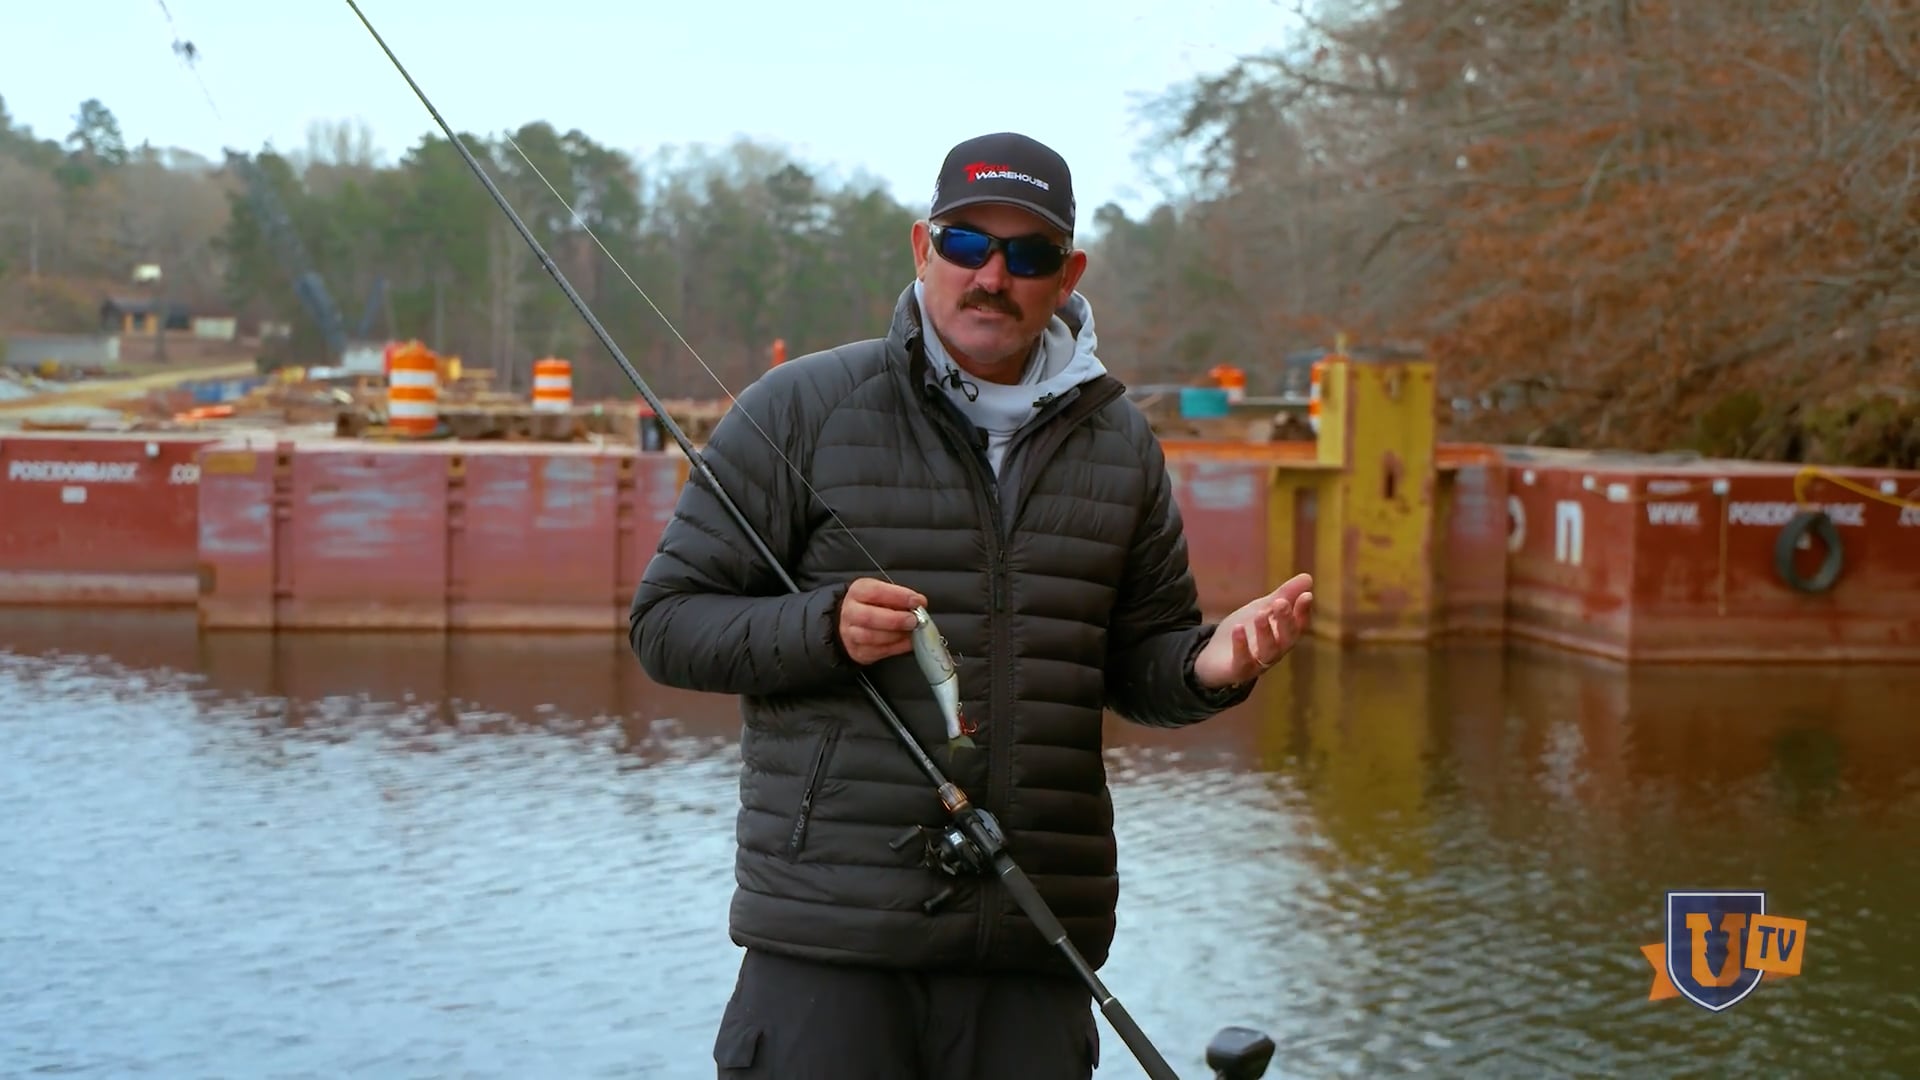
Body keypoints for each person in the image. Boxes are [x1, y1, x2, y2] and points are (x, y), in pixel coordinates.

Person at [628, 131, 1315, 1080]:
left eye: (1027, 255)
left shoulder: (1119, 443)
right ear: (923, 249)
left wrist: (1211, 666)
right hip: (834, 947)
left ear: (1066, 273)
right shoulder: (801, 406)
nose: (993, 275)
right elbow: (666, 625)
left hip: (1034, 946)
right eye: (967, 246)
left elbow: (1137, 664)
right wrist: (821, 628)